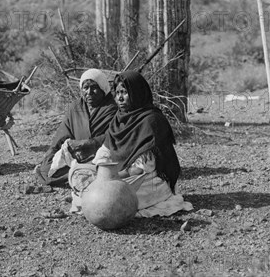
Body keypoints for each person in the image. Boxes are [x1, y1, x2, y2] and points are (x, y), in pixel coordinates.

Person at [69, 71, 192, 217]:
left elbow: (140, 169)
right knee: (76, 171)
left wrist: (107, 179)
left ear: (137, 93)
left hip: (147, 180)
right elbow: (106, 149)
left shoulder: (152, 121)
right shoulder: (119, 118)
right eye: (118, 92)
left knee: (115, 197)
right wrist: (98, 169)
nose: (119, 98)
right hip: (118, 172)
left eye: (125, 92)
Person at [35, 69, 118, 186]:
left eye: (94, 87)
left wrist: (89, 143)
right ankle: (81, 175)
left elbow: (115, 136)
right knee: (46, 170)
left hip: (99, 155)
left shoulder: (113, 108)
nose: (89, 92)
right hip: (76, 154)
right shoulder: (75, 108)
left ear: (103, 88)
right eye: (85, 88)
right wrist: (50, 154)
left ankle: (84, 175)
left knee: (103, 168)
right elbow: (62, 134)